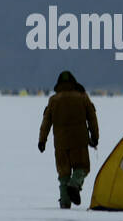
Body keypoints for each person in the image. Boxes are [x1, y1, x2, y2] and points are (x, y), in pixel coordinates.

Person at [38, 70, 99, 208]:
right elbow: (92, 119)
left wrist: (42, 140)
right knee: (82, 167)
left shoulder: (54, 100)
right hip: (79, 141)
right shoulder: (82, 97)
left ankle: (65, 202)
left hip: (60, 143)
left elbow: (46, 121)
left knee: (63, 172)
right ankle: (75, 184)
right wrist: (94, 137)